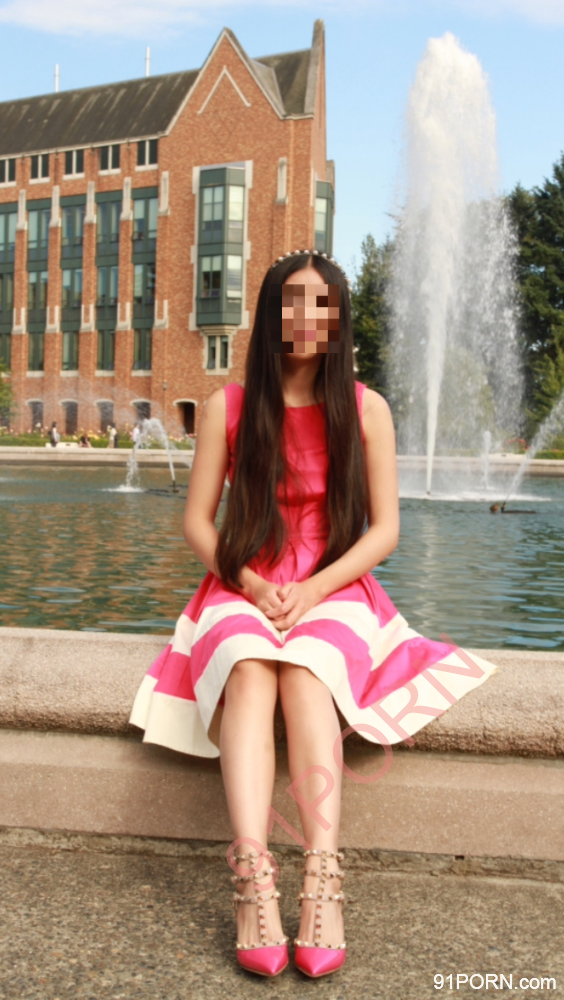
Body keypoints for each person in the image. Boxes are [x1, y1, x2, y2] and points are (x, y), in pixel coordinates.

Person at [129, 251, 498, 980]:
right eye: (292, 301)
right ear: (270, 312)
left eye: (322, 303)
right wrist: (248, 581)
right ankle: (252, 879)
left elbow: (384, 530)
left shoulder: (365, 408)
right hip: (242, 579)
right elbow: (198, 522)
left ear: (338, 317)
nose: (307, 316)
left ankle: (322, 879)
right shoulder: (228, 406)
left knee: (306, 673)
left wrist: (314, 588)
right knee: (247, 666)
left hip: (334, 584)